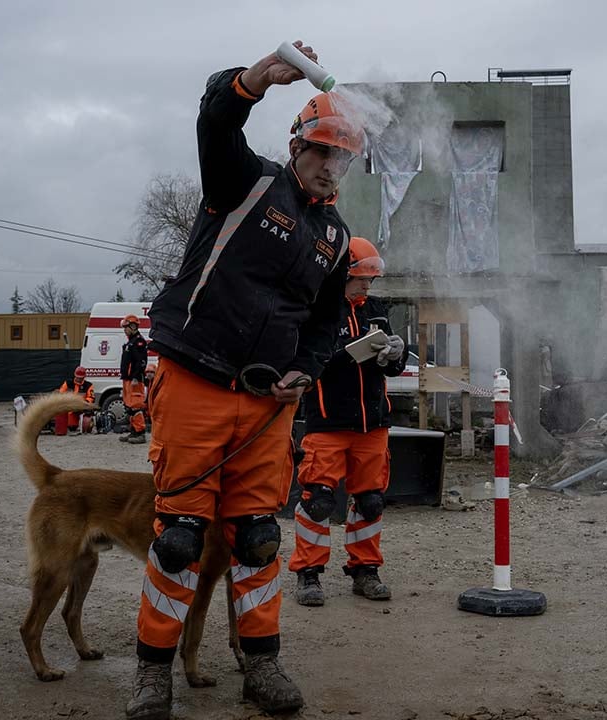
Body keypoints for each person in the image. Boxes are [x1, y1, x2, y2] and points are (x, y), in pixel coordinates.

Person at [127, 41, 364, 719]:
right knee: (178, 538)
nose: (327, 164)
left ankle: (260, 664)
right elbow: (214, 121)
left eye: (339, 155)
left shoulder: (336, 239)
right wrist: (257, 78)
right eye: (319, 149)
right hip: (195, 380)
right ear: (297, 147)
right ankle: (151, 674)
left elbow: (324, 325)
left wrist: (305, 371)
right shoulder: (246, 182)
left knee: (259, 539)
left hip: (266, 404)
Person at [289, 236, 405, 606]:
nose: (368, 285)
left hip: (373, 423)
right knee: (318, 500)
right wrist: (351, 354)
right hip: (327, 421)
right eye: (361, 278)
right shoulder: (317, 311)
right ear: (340, 275)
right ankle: (308, 574)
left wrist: (393, 356)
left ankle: (365, 570)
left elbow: (392, 368)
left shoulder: (376, 309)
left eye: (371, 279)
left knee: (370, 500)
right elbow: (310, 362)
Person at [118, 314, 148, 444]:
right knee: (129, 406)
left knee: (136, 406)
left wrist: (136, 376)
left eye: (126, 327)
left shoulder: (139, 342)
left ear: (133, 326)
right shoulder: (130, 342)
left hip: (134, 379)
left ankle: (140, 433)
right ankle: (133, 431)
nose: (124, 330)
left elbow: (141, 361)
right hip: (127, 379)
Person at [57, 366, 95, 434]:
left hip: (82, 406)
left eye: (81, 378)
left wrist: (85, 402)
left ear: (84, 377)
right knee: (71, 425)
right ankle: (70, 425)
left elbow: (91, 397)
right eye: (78, 377)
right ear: (75, 375)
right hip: (69, 406)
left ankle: (82, 425)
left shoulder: (88, 385)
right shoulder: (68, 383)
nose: (79, 379)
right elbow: (61, 393)